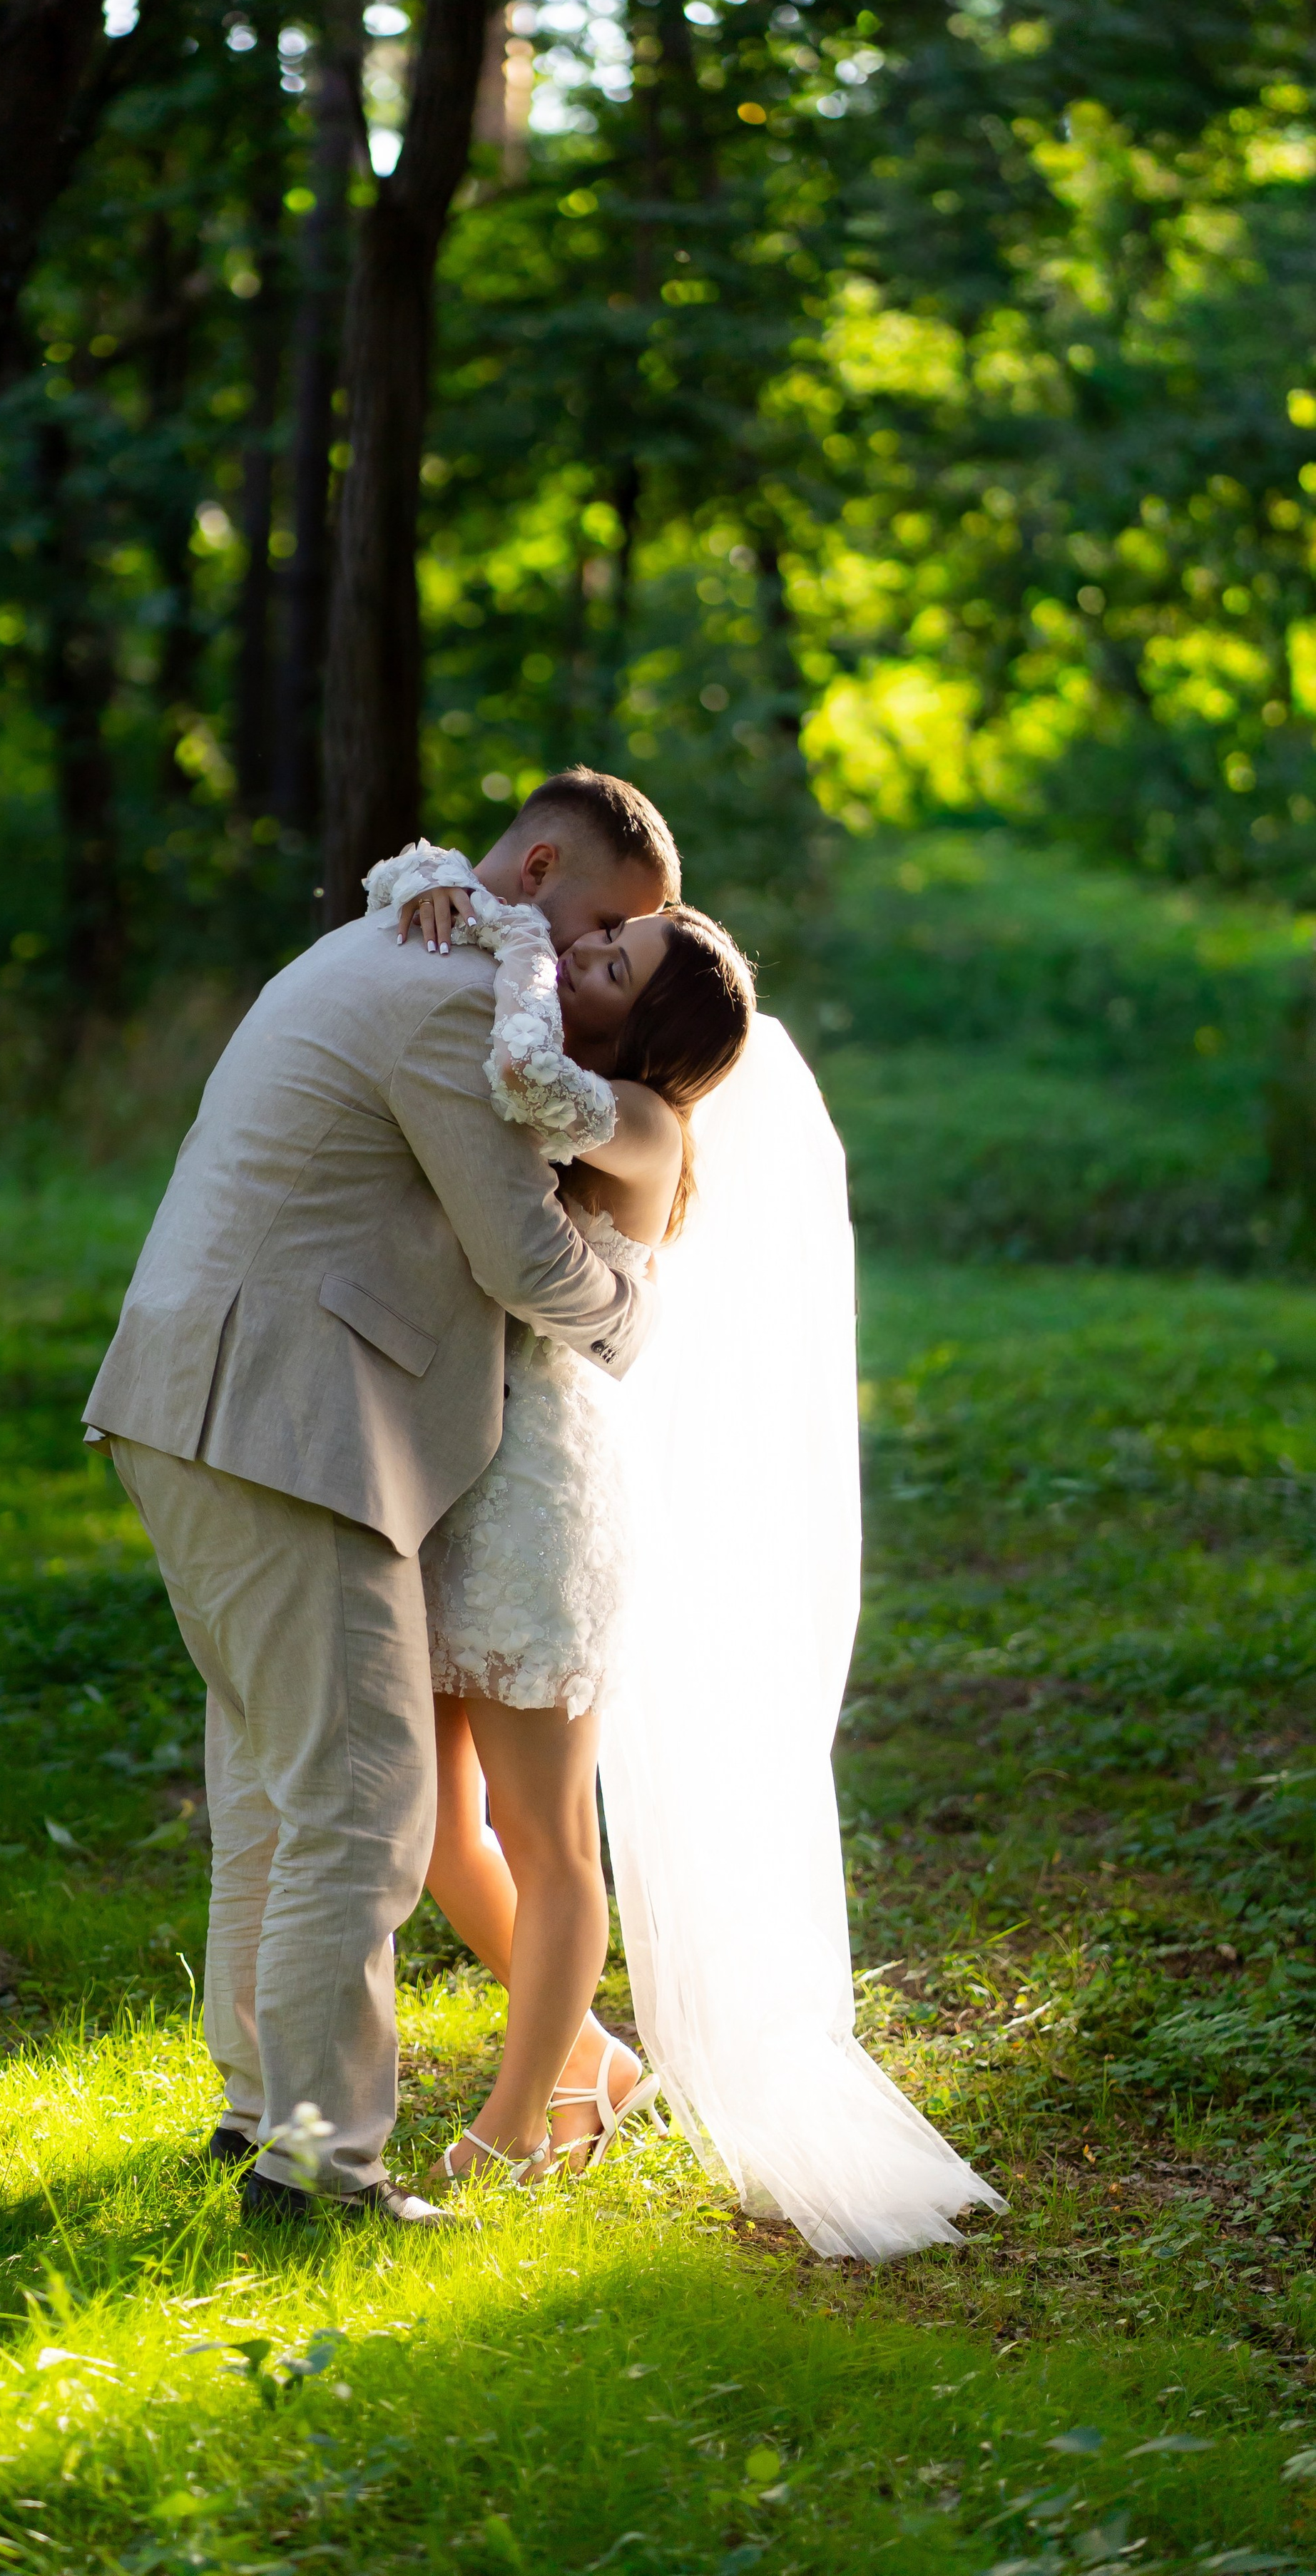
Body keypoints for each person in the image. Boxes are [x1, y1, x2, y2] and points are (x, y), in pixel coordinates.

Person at [373, 842, 1006, 2259]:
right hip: (459, 1484)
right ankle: (593, 2065)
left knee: (543, 1835)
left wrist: (503, 932)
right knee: (424, 1824)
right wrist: (428, 880)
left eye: (611, 960)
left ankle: (520, 2111)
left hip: (546, 1502)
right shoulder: (578, 1090)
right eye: (593, 948)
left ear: (652, 1025)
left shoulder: (641, 1128)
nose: (579, 953)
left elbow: (524, 1081)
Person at [81, 771, 678, 2228]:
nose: (595, 963)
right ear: (534, 870)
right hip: (283, 1412)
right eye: (601, 923)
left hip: (207, 1393)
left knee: (277, 1793)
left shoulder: (394, 943)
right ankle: (324, 2172)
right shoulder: (447, 998)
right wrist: (642, 1308)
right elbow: (528, 1264)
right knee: (361, 1803)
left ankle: (259, 2121)